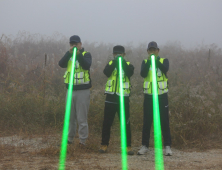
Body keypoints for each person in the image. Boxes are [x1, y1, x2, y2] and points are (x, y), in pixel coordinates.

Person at [137, 41, 172, 156]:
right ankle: (144, 145)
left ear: (158, 50)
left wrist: (155, 60)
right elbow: (142, 74)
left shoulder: (163, 61)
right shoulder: (145, 62)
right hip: (149, 96)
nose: (152, 52)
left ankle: (167, 146)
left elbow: (165, 69)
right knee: (147, 121)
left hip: (162, 96)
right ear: (147, 51)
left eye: (154, 50)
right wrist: (150, 61)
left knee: (164, 121)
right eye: (150, 50)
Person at [99, 45, 134, 155]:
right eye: (116, 54)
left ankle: (127, 146)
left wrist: (121, 62)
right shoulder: (110, 64)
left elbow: (129, 73)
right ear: (113, 54)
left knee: (125, 124)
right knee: (107, 123)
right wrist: (115, 62)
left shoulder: (128, 65)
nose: (118, 55)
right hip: (110, 98)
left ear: (124, 54)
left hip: (123, 98)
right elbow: (107, 73)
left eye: (120, 54)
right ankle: (104, 145)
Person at [58, 35, 92, 146]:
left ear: (80, 44)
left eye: (76, 44)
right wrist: (69, 53)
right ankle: (69, 139)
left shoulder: (86, 54)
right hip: (70, 90)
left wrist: (78, 54)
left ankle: (83, 141)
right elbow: (61, 64)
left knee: (82, 118)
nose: (74, 46)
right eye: (72, 44)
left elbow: (86, 65)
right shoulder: (68, 55)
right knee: (70, 117)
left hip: (83, 90)